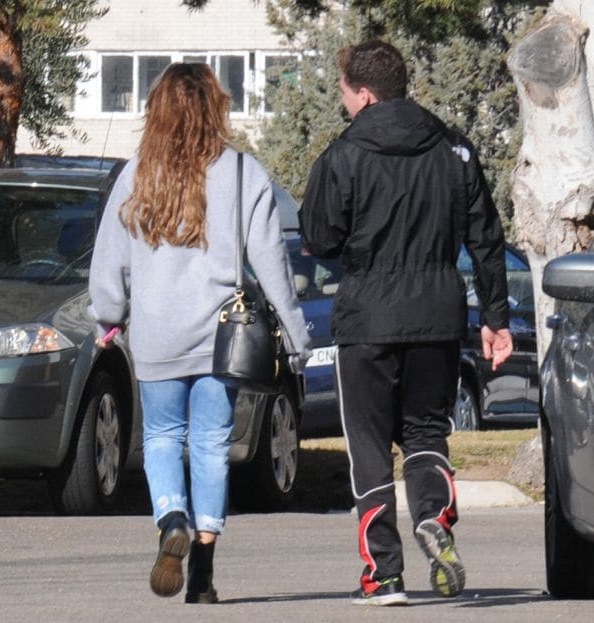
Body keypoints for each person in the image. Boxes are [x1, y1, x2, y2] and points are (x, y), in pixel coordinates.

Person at [300, 40, 513, 607]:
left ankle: (383, 575)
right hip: (438, 314)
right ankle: (433, 515)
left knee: (368, 444)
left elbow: (319, 238)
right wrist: (496, 318)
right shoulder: (453, 147)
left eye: (344, 91)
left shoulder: (343, 154)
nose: (343, 102)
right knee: (425, 431)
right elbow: (487, 239)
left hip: (366, 316)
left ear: (363, 93)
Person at [89, 63, 311, 604]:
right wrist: (296, 334)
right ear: (216, 107)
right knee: (211, 443)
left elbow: (110, 260)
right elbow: (271, 264)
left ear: (157, 110)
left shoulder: (137, 173)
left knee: (162, 437)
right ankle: (204, 576)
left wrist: (109, 316)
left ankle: (170, 519)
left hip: (158, 331)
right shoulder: (243, 173)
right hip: (223, 335)